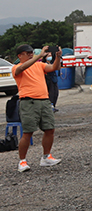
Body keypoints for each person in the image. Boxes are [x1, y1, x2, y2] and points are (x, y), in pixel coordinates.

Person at [12, 44, 62, 172]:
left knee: (49, 129)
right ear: (20, 55)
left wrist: (58, 57)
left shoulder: (39, 65)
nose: (30, 54)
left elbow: (54, 68)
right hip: (28, 102)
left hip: (44, 100)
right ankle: (22, 161)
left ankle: (46, 157)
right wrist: (39, 56)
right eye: (27, 52)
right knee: (28, 132)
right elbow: (22, 67)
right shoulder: (16, 67)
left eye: (31, 52)